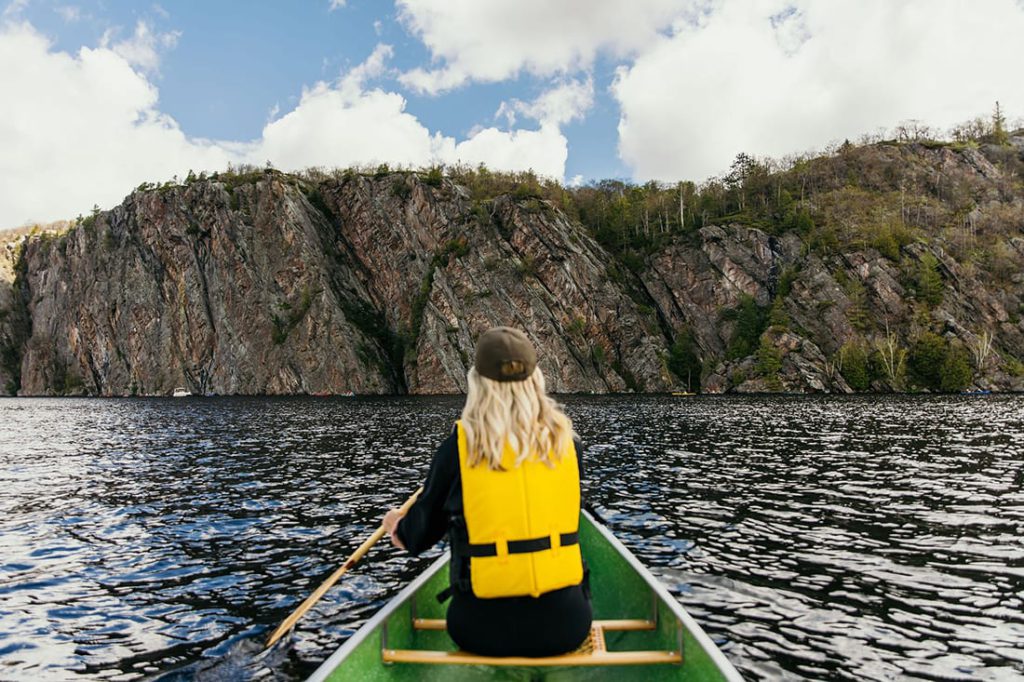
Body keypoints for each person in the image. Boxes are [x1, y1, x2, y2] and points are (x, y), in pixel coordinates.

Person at [381, 326, 592, 657]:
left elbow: (415, 538)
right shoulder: (569, 444)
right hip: (566, 627)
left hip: (482, 630)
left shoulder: (461, 449)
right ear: (535, 381)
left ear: (477, 384)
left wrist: (396, 523)